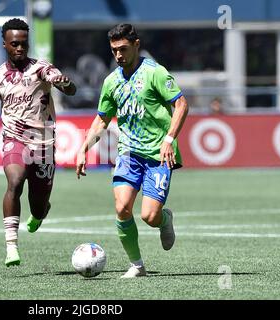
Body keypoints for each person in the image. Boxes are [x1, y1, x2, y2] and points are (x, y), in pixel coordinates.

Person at [0, 18, 76, 267]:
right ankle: (11, 247)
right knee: (15, 181)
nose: (20, 48)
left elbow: (68, 88)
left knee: (39, 206)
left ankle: (39, 213)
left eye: (23, 43)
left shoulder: (41, 68)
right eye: (14, 44)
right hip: (15, 139)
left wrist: (64, 84)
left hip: (43, 144)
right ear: (5, 45)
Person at [76, 24, 189, 278]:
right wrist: (83, 148)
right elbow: (102, 119)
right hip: (128, 153)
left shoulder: (155, 73)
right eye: (114, 50)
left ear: (136, 45)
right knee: (122, 207)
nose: (118, 55)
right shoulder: (111, 81)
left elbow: (181, 104)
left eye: (123, 49)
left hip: (158, 154)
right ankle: (137, 265)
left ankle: (164, 219)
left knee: (149, 216)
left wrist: (169, 139)